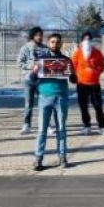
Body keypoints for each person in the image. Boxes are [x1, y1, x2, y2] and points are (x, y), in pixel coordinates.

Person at [30, 33, 77, 171]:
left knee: (61, 129)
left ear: (61, 44)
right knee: (42, 130)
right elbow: (32, 80)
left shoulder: (66, 60)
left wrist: (73, 73)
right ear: (48, 43)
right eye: (52, 42)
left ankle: (62, 157)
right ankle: (38, 158)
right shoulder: (42, 60)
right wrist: (34, 72)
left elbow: (74, 80)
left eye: (57, 42)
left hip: (61, 97)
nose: (54, 44)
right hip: (45, 97)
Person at [17, 26, 56, 135]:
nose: (40, 37)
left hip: (42, 81)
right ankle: (26, 125)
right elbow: (19, 63)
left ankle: (47, 125)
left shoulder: (45, 49)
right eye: (37, 35)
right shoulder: (25, 48)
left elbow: (51, 62)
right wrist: (31, 65)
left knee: (44, 102)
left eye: (41, 35)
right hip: (28, 80)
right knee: (28, 103)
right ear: (32, 36)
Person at [71, 31, 104, 135]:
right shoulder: (78, 52)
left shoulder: (97, 52)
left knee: (98, 105)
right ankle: (86, 125)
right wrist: (73, 75)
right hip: (81, 84)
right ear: (82, 41)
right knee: (83, 106)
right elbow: (72, 65)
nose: (87, 41)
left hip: (94, 83)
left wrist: (97, 69)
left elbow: (102, 65)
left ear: (91, 41)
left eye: (89, 39)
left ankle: (102, 126)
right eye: (85, 39)